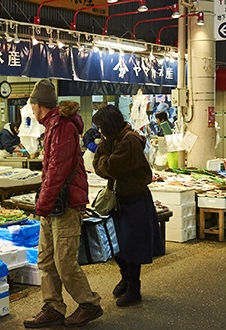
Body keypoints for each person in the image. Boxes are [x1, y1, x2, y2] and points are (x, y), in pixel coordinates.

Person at [24, 80, 102, 329]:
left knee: (64, 261)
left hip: (66, 205)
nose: (31, 110)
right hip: (53, 204)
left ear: (38, 106)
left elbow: (58, 170)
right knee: (46, 260)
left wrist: (41, 204)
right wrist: (44, 202)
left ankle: (89, 304)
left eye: (31, 105)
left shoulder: (63, 127)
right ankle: (53, 306)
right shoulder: (51, 126)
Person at [92, 105, 164, 307]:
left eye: (101, 127)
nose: (99, 132)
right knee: (116, 244)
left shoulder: (130, 141)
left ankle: (134, 288)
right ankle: (125, 278)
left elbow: (110, 167)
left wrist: (105, 163)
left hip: (134, 201)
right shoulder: (113, 139)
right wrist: (105, 162)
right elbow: (99, 163)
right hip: (118, 201)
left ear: (110, 125)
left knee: (132, 245)